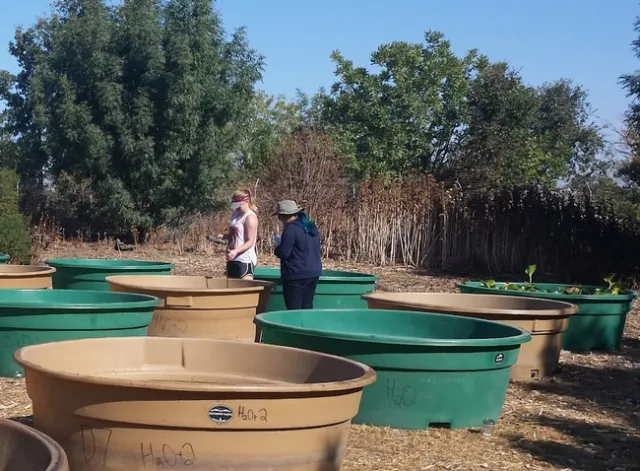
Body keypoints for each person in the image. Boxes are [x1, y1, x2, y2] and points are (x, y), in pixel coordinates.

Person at [272, 200, 322, 310]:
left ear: (284, 216)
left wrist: (277, 248)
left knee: (293, 311)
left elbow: (284, 252)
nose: (279, 219)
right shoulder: (310, 226)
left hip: (296, 274)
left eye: (279, 216)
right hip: (313, 272)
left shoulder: (290, 229)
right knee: (307, 307)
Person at [217, 189, 259, 279]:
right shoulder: (235, 214)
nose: (236, 208)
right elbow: (237, 235)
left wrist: (236, 251)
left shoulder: (250, 217)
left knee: (244, 289)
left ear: (246, 201)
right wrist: (224, 236)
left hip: (244, 260)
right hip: (232, 258)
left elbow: (250, 241)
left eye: (238, 204)